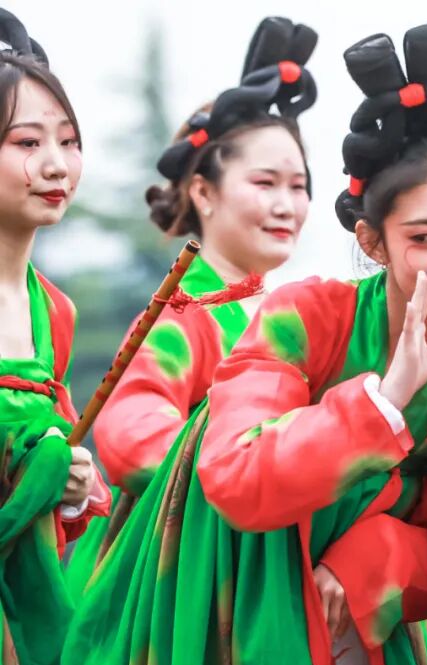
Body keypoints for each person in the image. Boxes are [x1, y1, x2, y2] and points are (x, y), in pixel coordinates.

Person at [63, 22, 427, 665]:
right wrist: (209, 472)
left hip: (353, 632)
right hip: (212, 586)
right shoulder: (230, 313)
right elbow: (156, 438)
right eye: (264, 182)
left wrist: (370, 551)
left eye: (297, 186)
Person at [64, 16, 317, 603]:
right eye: (265, 183)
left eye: (298, 186)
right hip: (181, 581)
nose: (286, 205)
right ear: (204, 191)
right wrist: (246, 473)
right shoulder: (184, 310)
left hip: (254, 568)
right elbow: (130, 430)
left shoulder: (287, 315)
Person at [0, 9, 110, 665]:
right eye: (27, 142)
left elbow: (58, 498)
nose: (56, 165)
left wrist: (67, 482)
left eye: (68, 141)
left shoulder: (54, 313)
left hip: (27, 620)